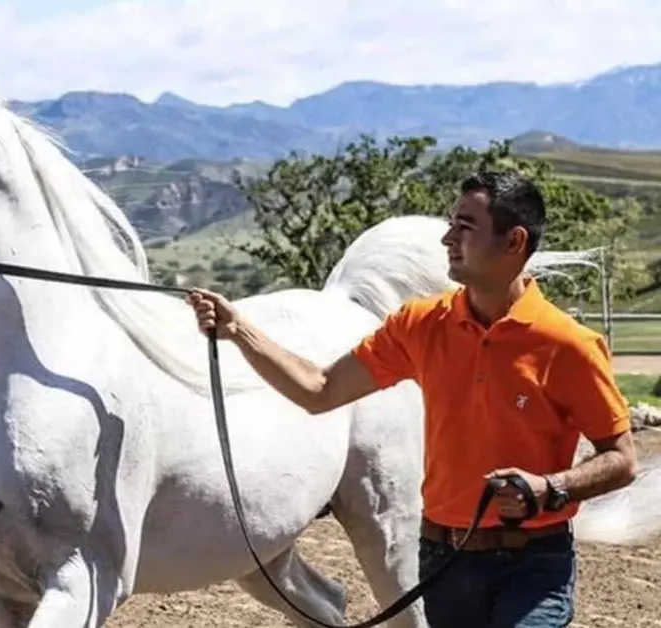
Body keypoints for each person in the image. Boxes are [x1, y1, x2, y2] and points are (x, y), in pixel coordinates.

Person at [186, 170, 639, 628]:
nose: (447, 238)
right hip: (444, 562)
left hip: (532, 566)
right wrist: (237, 330)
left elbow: (621, 459)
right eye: (450, 223)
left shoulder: (569, 345)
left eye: (465, 227)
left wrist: (551, 488)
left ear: (513, 241)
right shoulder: (420, 325)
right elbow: (319, 390)